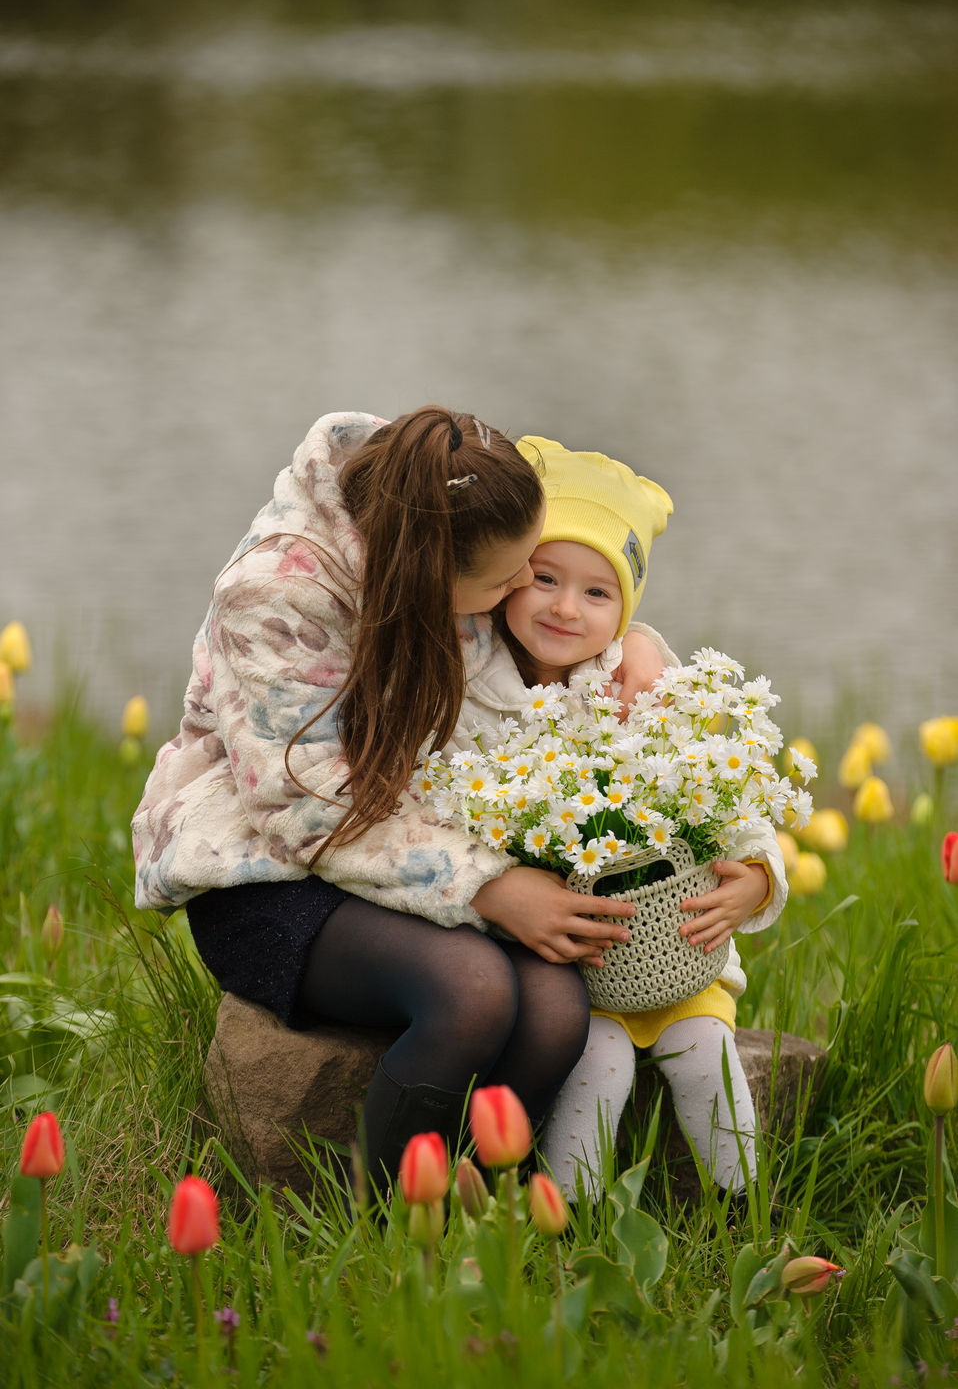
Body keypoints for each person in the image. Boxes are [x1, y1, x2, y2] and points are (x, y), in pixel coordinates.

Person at [131, 406, 665, 1189]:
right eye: (505, 578)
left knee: (555, 1007)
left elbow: (565, 621)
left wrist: (641, 642)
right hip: (270, 870)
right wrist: (489, 887)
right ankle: (389, 1231)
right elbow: (304, 811)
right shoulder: (275, 601)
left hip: (422, 845)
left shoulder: (454, 500)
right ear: (428, 574)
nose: (524, 587)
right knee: (472, 993)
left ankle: (485, 1216)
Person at [439, 436, 787, 1207]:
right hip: (581, 973)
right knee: (596, 1066)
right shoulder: (473, 687)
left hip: (681, 958)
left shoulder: (641, 689)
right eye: (547, 579)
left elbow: (728, 801)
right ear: (506, 580)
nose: (567, 608)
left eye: (600, 595)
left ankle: (747, 1212)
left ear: (627, 608)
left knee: (704, 1056)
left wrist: (756, 880)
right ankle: (573, 1215)